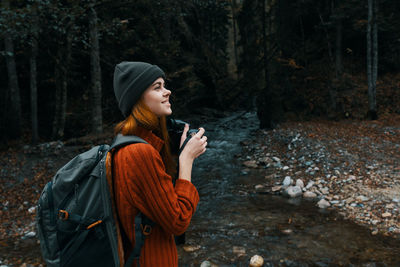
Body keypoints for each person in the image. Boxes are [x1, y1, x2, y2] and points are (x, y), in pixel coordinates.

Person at [106, 61, 207, 267]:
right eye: (157, 87)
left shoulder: (126, 143)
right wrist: (186, 159)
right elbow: (178, 221)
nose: (167, 91)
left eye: (164, 85)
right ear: (138, 98)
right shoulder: (139, 153)